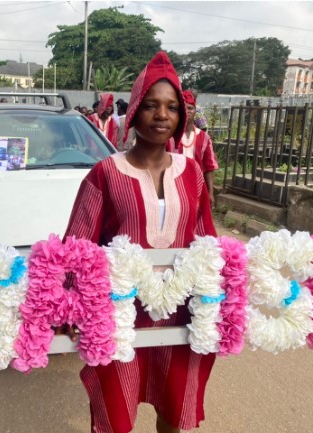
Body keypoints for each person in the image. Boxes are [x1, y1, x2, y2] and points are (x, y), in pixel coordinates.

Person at [63, 51, 217, 433]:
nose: (162, 115)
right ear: (134, 112)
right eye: (151, 105)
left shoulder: (191, 172)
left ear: (182, 115)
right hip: (120, 315)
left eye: (171, 107)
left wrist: (223, 301)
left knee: (173, 406)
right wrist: (69, 308)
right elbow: (77, 247)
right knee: (115, 416)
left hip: (181, 310)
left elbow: (207, 238)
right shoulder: (106, 173)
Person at [171, 90, 219, 208]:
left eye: (190, 108)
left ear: (195, 111)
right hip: (173, 189)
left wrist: (210, 193)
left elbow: (208, 167)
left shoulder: (204, 138)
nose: (187, 111)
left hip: (197, 190)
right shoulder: (170, 136)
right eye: (184, 108)